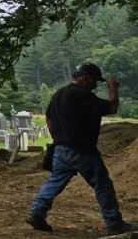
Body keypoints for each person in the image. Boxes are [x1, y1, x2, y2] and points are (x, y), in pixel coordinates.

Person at [26, 62, 135, 233]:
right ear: (85, 78)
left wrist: (59, 137)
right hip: (83, 150)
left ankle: (37, 212)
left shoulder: (59, 94)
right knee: (103, 185)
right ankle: (115, 223)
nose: (94, 86)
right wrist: (113, 89)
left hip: (61, 149)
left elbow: (48, 118)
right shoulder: (83, 95)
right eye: (94, 81)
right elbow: (112, 107)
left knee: (55, 181)